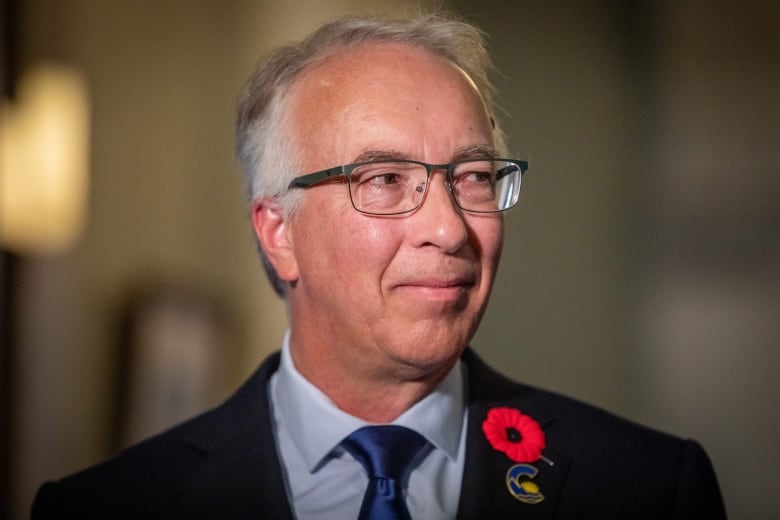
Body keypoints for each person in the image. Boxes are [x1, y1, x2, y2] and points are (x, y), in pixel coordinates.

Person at [32, 12, 726, 519]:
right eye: (386, 180)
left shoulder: (648, 489)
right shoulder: (107, 509)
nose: (449, 227)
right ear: (279, 234)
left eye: (475, 176)